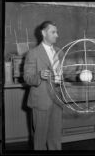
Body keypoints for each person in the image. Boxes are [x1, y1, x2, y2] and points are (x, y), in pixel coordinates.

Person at [24, 21, 63, 150]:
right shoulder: (33, 53)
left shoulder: (60, 52)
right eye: (53, 32)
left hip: (57, 101)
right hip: (41, 102)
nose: (56, 35)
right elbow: (27, 78)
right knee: (39, 140)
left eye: (57, 32)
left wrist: (79, 73)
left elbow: (63, 74)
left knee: (56, 138)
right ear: (43, 33)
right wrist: (39, 75)